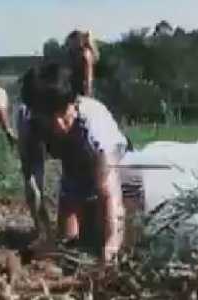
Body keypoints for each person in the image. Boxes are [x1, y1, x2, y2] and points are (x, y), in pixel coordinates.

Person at [18, 63, 127, 262]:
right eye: (49, 118)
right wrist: (44, 232)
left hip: (116, 166)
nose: (59, 124)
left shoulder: (94, 123)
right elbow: (32, 179)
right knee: (68, 241)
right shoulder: (28, 120)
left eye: (64, 114)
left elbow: (109, 191)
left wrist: (112, 243)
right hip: (74, 172)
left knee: (102, 235)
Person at [63, 30, 99, 97]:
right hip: (76, 90)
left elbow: (88, 76)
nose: (69, 46)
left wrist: (87, 93)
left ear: (76, 41)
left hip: (81, 91)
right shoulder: (75, 55)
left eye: (69, 43)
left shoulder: (85, 54)